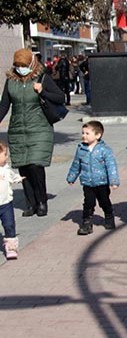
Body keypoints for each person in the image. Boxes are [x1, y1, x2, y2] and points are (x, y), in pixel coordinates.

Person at [0, 48, 64, 218]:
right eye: (17, 65)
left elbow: (60, 97)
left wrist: (42, 91)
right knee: (23, 167)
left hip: (40, 128)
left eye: (23, 65)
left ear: (31, 63)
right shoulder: (11, 81)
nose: (21, 69)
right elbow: (4, 105)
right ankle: (31, 203)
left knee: (35, 165)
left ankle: (42, 201)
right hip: (18, 130)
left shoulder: (41, 77)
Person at [67, 121, 120, 236]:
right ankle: (86, 223)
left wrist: (114, 181)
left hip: (102, 182)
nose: (84, 135)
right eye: (83, 133)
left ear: (98, 135)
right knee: (88, 203)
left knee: (104, 201)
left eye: (87, 133)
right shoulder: (81, 149)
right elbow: (76, 164)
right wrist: (71, 177)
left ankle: (109, 217)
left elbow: (111, 166)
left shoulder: (104, 150)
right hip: (87, 183)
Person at [0, 141, 23, 260]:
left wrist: (18, 178)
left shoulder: (6, 169)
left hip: (6, 203)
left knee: (9, 224)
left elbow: (12, 176)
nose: (6, 157)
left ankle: (11, 246)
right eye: (4, 155)